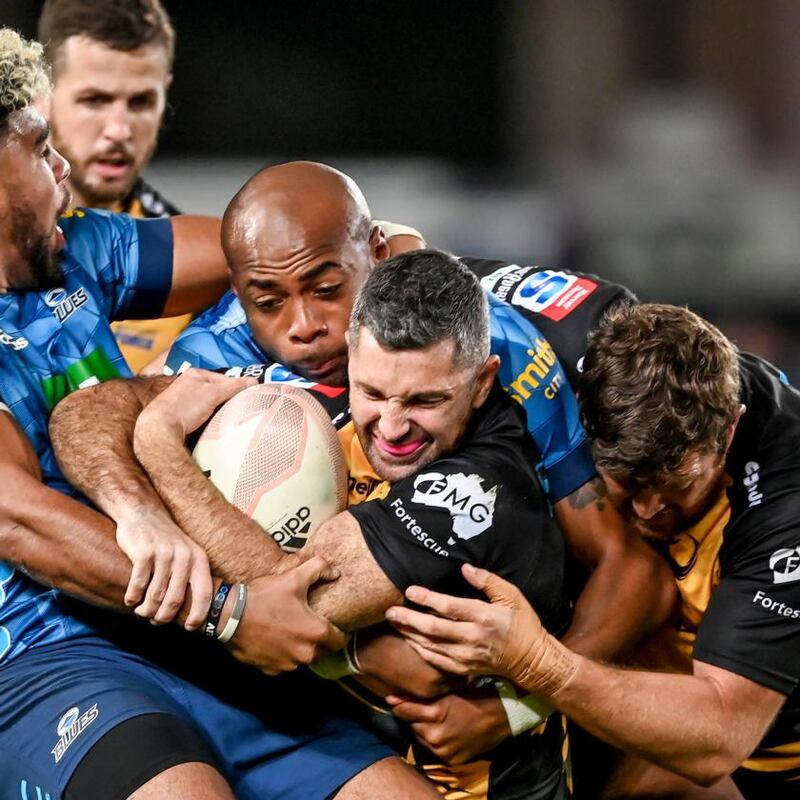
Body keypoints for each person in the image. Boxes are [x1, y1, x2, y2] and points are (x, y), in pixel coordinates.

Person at [53, 163, 673, 795]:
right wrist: (139, 507)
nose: (302, 325)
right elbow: (85, 413)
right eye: (267, 301)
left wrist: (523, 706)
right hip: (304, 716)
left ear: (375, 252)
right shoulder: (216, 354)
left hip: (480, 726)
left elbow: (630, 571)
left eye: (326, 289)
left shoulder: (496, 351)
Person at [0, 29, 436, 800]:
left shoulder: (75, 254)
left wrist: (377, 249)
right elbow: (20, 522)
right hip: (46, 658)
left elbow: (268, 248)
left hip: (176, 631)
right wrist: (232, 613)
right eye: (40, 147)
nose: (63, 163)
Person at [85, 249, 581, 798]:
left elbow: (289, 606)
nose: (392, 427)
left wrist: (159, 444)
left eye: (427, 400)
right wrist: (137, 507)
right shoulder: (301, 397)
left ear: (483, 382)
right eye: (371, 392)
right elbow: (81, 416)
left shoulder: (484, 489)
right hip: (336, 745)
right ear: (350, 354)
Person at [386, 303, 800, 799]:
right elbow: (393, 258)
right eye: (628, 481)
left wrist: (535, 669)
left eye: (675, 486)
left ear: (730, 430)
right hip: (659, 690)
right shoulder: (574, 330)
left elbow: (718, 739)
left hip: (763, 758)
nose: (648, 509)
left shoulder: (785, 506)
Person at [38, 0, 191, 372]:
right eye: (95, 100)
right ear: (41, 95)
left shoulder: (190, 266)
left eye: (141, 102)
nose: (120, 130)